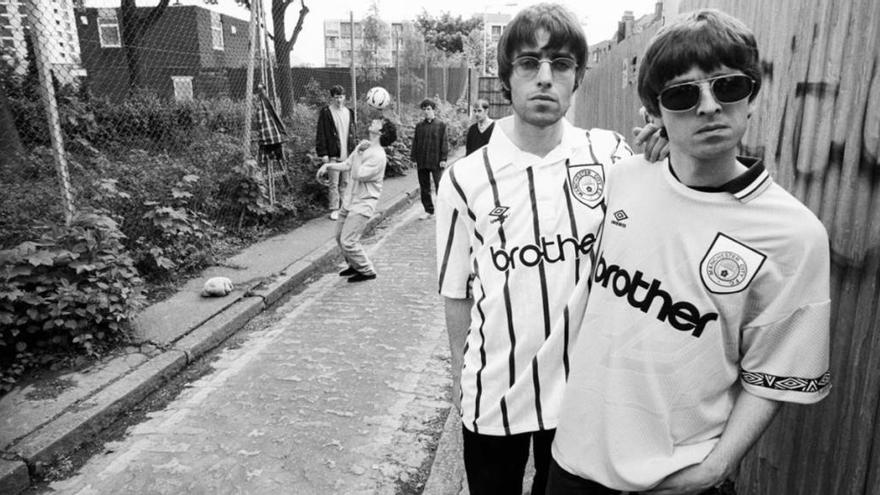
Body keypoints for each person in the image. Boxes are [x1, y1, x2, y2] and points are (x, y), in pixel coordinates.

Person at [548, 9, 831, 495]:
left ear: (753, 97)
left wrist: (715, 469)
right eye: (682, 94)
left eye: (727, 87)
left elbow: (776, 373)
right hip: (573, 464)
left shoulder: (793, 235)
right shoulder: (625, 179)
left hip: (678, 479)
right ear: (654, 113)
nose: (708, 107)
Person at [434, 4, 666, 494]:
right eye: (529, 64)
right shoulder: (464, 178)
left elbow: (655, 229)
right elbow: (456, 291)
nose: (545, 78)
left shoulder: (610, 155)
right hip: (495, 392)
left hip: (580, 396)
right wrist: (459, 375)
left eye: (560, 64)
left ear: (577, 77)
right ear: (506, 78)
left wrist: (669, 157)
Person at [316, 117, 397, 283]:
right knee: (339, 237)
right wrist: (329, 166)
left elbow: (356, 173)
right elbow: (347, 165)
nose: (373, 121)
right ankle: (354, 265)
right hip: (350, 200)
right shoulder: (364, 145)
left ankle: (367, 270)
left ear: (381, 132)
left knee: (348, 241)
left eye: (377, 122)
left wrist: (359, 153)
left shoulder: (379, 156)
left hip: (364, 203)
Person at [315, 85, 357, 221]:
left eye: (341, 96)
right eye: (336, 97)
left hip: (347, 154)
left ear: (345, 97)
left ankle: (344, 208)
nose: (339, 100)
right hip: (333, 154)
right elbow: (321, 133)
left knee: (345, 183)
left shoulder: (349, 112)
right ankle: (334, 209)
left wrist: (355, 151)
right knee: (333, 183)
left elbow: (353, 133)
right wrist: (323, 153)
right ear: (332, 98)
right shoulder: (326, 112)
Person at [411, 98, 448, 220]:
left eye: (428, 109)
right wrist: (414, 159)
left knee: (440, 186)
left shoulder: (441, 125)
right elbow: (415, 142)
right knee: (424, 187)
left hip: (436, 161)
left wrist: (443, 158)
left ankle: (442, 211)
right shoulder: (419, 126)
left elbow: (444, 142)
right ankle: (429, 210)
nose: (426, 111)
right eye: (424, 109)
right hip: (422, 161)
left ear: (433, 110)